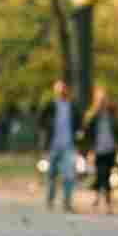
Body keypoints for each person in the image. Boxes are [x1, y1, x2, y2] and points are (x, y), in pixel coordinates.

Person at [80, 86, 118, 213]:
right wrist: (88, 150)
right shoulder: (93, 116)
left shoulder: (112, 115)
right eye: (100, 100)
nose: (102, 102)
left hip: (110, 149)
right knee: (101, 175)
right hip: (98, 150)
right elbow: (87, 134)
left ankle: (103, 200)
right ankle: (102, 200)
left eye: (104, 99)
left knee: (106, 175)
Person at [36, 79, 79, 213]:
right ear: (55, 91)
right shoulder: (50, 106)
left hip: (68, 145)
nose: (61, 91)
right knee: (51, 174)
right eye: (58, 89)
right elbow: (40, 121)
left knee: (68, 175)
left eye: (62, 88)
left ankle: (67, 202)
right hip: (53, 145)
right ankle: (50, 200)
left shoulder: (72, 107)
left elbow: (78, 123)